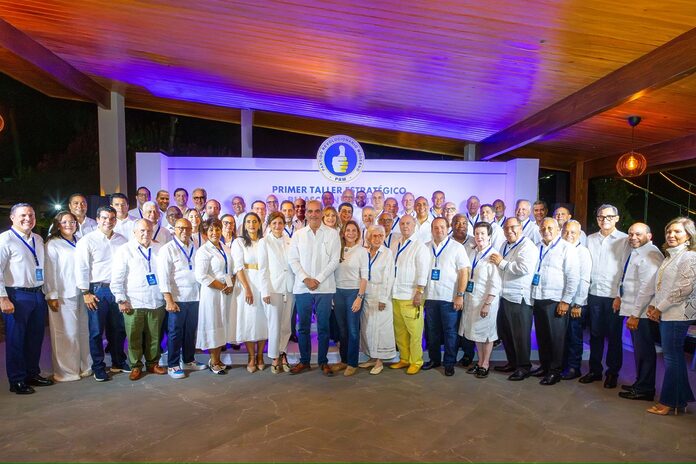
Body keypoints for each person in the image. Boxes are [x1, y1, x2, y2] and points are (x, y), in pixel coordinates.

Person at [0, 203, 54, 394]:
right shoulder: (5, 239)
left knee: (35, 337)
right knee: (16, 339)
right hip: (16, 295)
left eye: (31, 215)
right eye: (23, 215)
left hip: (37, 294)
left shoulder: (37, 239)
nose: (27, 219)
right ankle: (17, 380)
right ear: (12, 218)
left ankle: (32, 373)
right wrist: (3, 298)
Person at [645, 217, 696, 415]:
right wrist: (654, 304)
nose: (671, 235)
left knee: (672, 358)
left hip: (678, 314)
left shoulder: (689, 256)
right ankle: (680, 400)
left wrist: (659, 308)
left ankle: (668, 402)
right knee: (674, 357)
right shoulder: (670, 256)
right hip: (669, 312)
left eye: (677, 231)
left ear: (689, 236)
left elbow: (683, 289)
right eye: (669, 231)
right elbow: (663, 286)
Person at [75, 206, 129, 381]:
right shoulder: (87, 240)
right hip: (98, 290)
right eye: (104, 218)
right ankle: (98, 366)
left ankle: (118, 361)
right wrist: (85, 292)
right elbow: (82, 267)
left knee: (118, 328)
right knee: (97, 331)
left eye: (112, 218)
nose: (108, 221)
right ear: (97, 219)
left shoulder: (122, 240)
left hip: (118, 289)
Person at [288, 200, 341, 376]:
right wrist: (305, 279)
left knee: (323, 327)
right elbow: (293, 260)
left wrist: (317, 279)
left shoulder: (332, 234)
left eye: (317, 211)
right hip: (302, 288)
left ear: (322, 213)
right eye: (310, 211)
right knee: (303, 327)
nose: (313, 215)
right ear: (306, 213)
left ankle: (323, 362)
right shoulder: (298, 235)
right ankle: (304, 361)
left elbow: (334, 261)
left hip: (324, 288)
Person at [580, 204, 630, 388]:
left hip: (613, 296)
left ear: (616, 218)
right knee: (595, 335)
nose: (604, 220)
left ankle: (612, 373)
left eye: (609, 217)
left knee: (614, 336)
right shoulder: (590, 239)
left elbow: (626, 270)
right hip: (594, 293)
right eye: (601, 217)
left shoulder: (625, 240)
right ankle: (595, 371)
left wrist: (619, 295)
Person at [111, 219, 167, 381]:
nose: (145, 233)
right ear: (134, 232)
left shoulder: (159, 249)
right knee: (134, 336)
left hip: (156, 300)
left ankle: (153, 363)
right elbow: (117, 278)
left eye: (149, 230)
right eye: (142, 230)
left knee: (155, 336)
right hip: (133, 301)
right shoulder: (125, 250)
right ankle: (135, 366)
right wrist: (121, 299)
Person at [615, 223, 663, 401]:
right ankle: (641, 383)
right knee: (640, 351)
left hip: (642, 313)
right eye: (630, 234)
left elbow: (647, 289)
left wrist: (635, 315)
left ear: (649, 236)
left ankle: (645, 389)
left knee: (645, 352)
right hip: (635, 310)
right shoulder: (638, 252)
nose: (633, 237)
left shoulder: (651, 254)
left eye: (638, 234)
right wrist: (619, 297)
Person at [530, 218, 579, 386]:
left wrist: (566, 301)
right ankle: (544, 366)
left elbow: (573, 277)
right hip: (539, 297)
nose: (546, 231)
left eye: (550, 228)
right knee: (542, 336)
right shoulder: (537, 247)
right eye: (543, 228)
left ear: (558, 229)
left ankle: (555, 371)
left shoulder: (567, 248)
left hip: (556, 300)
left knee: (556, 338)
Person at [157, 218, 207, 379]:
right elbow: (163, 276)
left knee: (190, 331)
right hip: (177, 298)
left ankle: (188, 360)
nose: (184, 231)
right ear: (174, 230)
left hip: (195, 296)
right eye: (181, 228)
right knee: (175, 332)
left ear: (192, 229)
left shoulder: (195, 247)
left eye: (187, 228)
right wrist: (168, 299)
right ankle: (173, 365)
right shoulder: (167, 249)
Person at [44, 211, 91, 382]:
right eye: (64, 222)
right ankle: (66, 371)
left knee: (83, 331)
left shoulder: (80, 240)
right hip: (63, 294)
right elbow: (50, 271)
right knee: (66, 333)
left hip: (82, 292)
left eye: (72, 222)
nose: (69, 225)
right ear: (58, 225)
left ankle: (86, 366)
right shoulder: (53, 244)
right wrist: (51, 295)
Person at [489, 217, 538, 380]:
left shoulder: (527, 246)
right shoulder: (504, 244)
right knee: (506, 333)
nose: (509, 231)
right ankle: (512, 362)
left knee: (520, 335)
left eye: (513, 227)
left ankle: (524, 367)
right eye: (506, 228)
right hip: (505, 295)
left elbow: (523, 268)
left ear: (521, 228)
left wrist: (501, 263)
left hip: (519, 297)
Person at [423, 217, 469, 377]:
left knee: (450, 332)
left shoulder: (457, 247)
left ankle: (449, 363)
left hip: (449, 297)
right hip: (430, 297)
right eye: (435, 227)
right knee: (432, 331)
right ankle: (434, 359)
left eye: (442, 227)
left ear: (448, 228)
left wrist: (460, 295)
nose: (439, 230)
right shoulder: (425, 247)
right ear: (431, 230)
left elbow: (464, 272)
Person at [460, 222, 502, 379]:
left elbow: (496, 283)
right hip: (473, 299)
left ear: (489, 236)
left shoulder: (493, 255)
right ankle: (479, 362)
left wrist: (487, 304)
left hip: (486, 301)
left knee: (487, 334)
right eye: (477, 233)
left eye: (483, 233)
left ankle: (485, 364)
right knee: (476, 332)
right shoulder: (473, 252)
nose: (479, 236)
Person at [195, 219, 236, 375]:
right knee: (213, 325)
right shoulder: (203, 251)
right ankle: (213, 361)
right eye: (211, 230)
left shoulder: (224, 247)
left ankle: (218, 359)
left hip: (225, 293)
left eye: (217, 229)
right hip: (212, 294)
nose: (215, 233)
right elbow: (201, 275)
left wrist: (230, 284)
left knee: (221, 326)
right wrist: (223, 286)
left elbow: (229, 270)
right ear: (205, 233)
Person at [390, 214, 429, 375]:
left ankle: (416, 361)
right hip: (395, 294)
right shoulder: (395, 243)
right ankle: (404, 358)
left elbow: (423, 272)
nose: (405, 226)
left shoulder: (420, 246)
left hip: (411, 296)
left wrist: (419, 292)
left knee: (414, 332)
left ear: (414, 226)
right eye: (402, 223)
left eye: (408, 223)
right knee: (400, 331)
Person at [258, 212, 295, 374]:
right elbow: (263, 268)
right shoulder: (264, 242)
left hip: (289, 287)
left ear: (284, 225)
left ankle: (283, 352)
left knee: (286, 324)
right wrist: (265, 290)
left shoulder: (290, 241)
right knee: (274, 324)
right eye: (274, 223)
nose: (278, 226)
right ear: (269, 225)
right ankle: (274, 356)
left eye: (280, 223)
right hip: (273, 288)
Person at [232, 212, 268, 373]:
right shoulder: (239, 242)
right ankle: (251, 357)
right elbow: (238, 267)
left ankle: (260, 355)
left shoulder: (264, 241)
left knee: (263, 321)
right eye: (248, 222)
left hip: (264, 283)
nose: (252, 224)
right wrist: (247, 288)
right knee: (249, 321)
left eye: (255, 221)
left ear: (259, 224)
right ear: (244, 225)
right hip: (247, 284)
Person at [332, 220, 368, 375]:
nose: (351, 233)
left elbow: (364, 277)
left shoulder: (362, 251)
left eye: (354, 230)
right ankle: (344, 360)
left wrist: (359, 297)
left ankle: (352, 363)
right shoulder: (338, 249)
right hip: (338, 293)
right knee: (342, 330)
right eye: (348, 230)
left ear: (358, 233)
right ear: (343, 232)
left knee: (353, 330)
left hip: (354, 293)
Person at [360, 225, 397, 375]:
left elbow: (389, 277)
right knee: (368, 327)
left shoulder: (387, 253)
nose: (377, 239)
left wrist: (383, 298)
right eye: (374, 236)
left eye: (380, 236)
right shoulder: (364, 252)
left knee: (381, 329)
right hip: (366, 294)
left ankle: (380, 361)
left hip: (381, 294)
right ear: (369, 237)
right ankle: (372, 357)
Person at [560, 220, 592, 380]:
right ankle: (563, 365)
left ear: (579, 234)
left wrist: (578, 304)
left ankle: (574, 367)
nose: (568, 235)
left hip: (575, 303)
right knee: (563, 336)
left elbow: (584, 279)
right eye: (566, 231)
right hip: (562, 301)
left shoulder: (583, 252)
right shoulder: (561, 248)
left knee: (574, 336)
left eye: (573, 232)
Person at [450, 214, 475, 366]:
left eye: (464, 223)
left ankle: (468, 353)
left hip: (471, 289)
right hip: (452, 289)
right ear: (452, 225)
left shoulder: (474, 241)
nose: (461, 226)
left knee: (467, 322)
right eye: (457, 223)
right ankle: (452, 352)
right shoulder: (447, 241)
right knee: (453, 324)